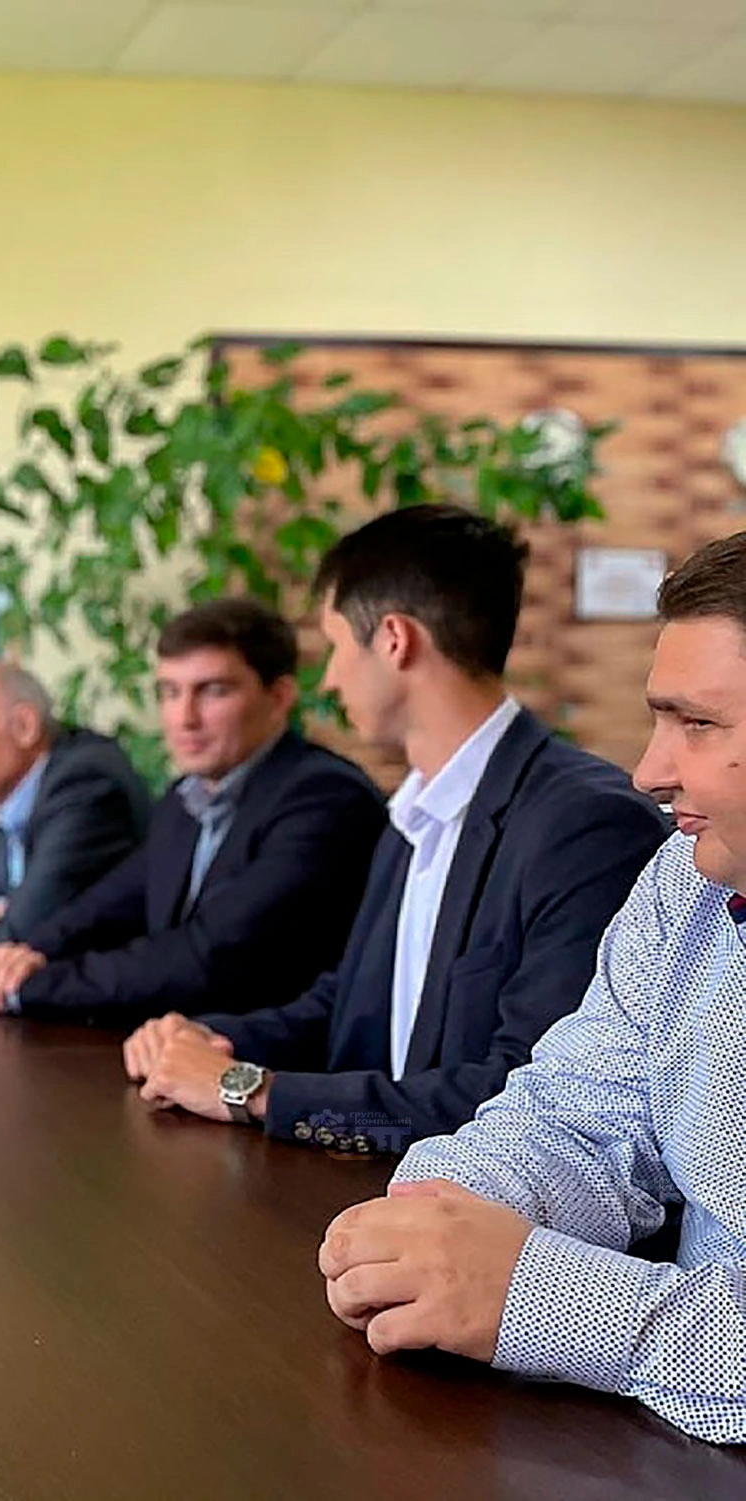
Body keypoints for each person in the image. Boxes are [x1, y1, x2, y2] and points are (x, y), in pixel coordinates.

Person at [318, 530, 746, 1443]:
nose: (650, 773)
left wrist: (536, 1295)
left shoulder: (598, 825)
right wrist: (441, 1209)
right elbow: (579, 1112)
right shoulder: (688, 880)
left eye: (699, 724)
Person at [125, 506, 666, 1152]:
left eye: (335, 646)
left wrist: (252, 1091)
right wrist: (209, 1040)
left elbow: (530, 1101)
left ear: (393, 639)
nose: (328, 678)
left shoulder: (585, 825)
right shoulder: (413, 808)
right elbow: (353, 1004)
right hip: (372, 1186)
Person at [0, 599, 385, 1021]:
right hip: (183, 1052)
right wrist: (22, 954)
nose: (184, 718)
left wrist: (22, 987)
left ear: (278, 699)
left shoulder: (323, 800)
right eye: (170, 692)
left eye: (213, 690)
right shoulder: (185, 799)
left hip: (280, 1072)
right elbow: (108, 904)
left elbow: (204, 958)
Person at [0, 664, 149, 951]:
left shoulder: (86, 787)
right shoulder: (3, 788)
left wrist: (1, 925)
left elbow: (21, 943)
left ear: (24, 726)